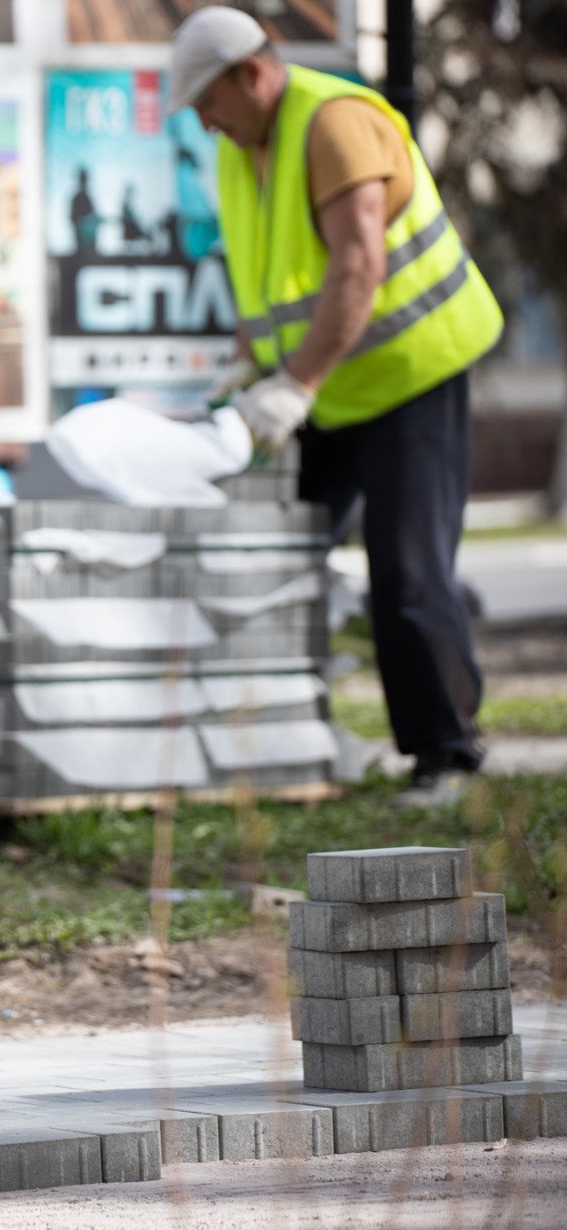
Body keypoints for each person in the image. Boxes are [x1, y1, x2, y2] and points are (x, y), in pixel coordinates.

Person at [167, 6, 504, 806]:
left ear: (252, 73)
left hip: (407, 377)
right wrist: (248, 369)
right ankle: (295, 733)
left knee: (409, 568)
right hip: (327, 387)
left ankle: (448, 756)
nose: (206, 124)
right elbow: (265, 280)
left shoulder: (336, 123)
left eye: (209, 102)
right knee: (278, 554)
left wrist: (294, 386)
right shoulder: (248, 145)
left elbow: (358, 268)